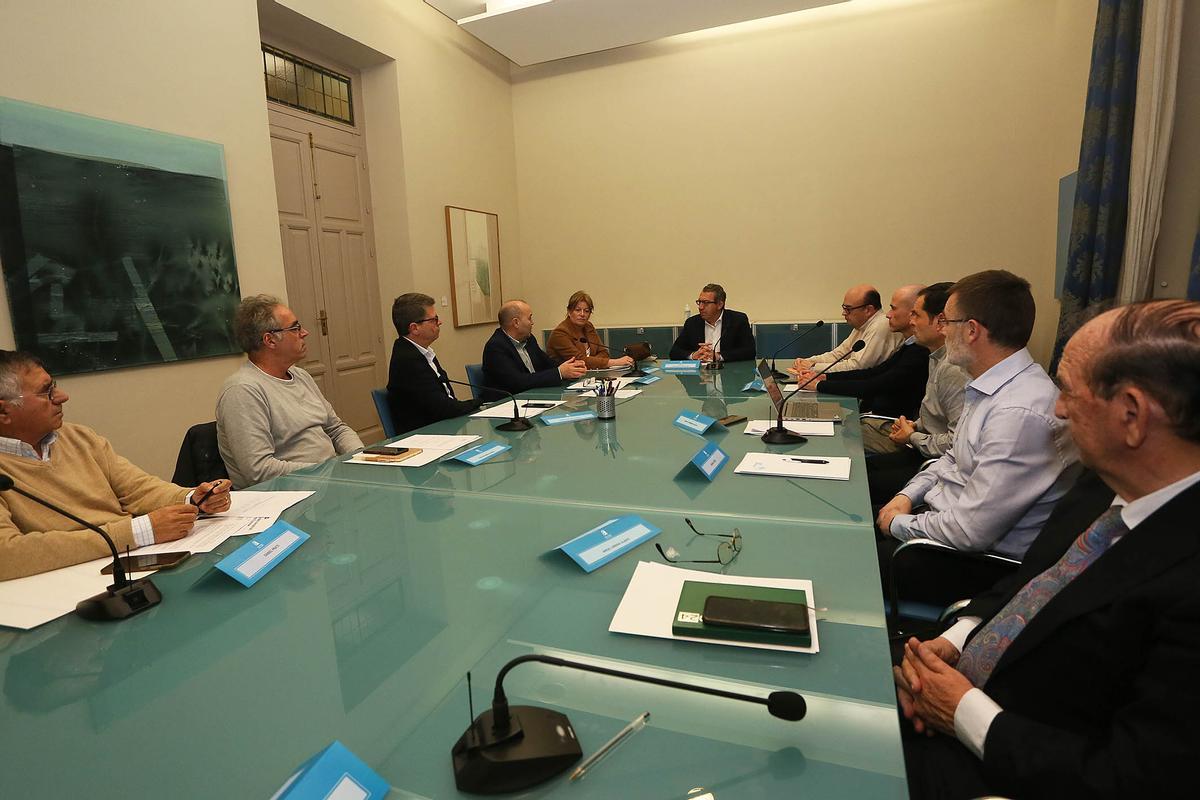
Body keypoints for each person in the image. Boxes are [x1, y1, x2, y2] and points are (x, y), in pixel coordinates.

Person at [895, 299, 1200, 799]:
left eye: (1069, 392)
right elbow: (1027, 582)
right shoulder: (1101, 487)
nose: (1057, 408)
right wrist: (957, 640)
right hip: (959, 680)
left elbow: (1131, 777)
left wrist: (964, 712)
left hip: (1002, 765)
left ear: (1132, 415)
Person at [876, 270, 1078, 561]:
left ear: (971, 330)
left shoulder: (1018, 413)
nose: (942, 330)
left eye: (947, 321)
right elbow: (951, 458)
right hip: (937, 523)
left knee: (843, 557)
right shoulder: (986, 385)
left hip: (970, 560)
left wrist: (897, 523)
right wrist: (906, 496)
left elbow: (969, 532)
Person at [0, 350, 231, 581]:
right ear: (3, 411)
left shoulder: (78, 437)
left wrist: (193, 498)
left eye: (55, 386)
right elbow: (6, 556)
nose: (62, 396)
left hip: (130, 560)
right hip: (67, 581)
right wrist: (138, 532)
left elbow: (137, 488)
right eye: (46, 392)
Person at [217, 295, 363, 488]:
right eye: (295, 328)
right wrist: (329, 471)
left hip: (324, 483)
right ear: (270, 340)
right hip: (285, 495)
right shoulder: (243, 391)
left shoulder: (301, 376)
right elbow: (259, 470)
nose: (305, 332)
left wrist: (361, 458)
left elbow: (336, 429)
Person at [863, 283, 969, 503]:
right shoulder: (936, 357)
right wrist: (915, 425)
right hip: (922, 449)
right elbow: (937, 414)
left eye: (916, 315)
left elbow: (956, 442)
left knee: (863, 483)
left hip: (934, 462)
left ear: (939, 322)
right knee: (862, 470)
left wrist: (912, 436)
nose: (911, 322)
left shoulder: (952, 368)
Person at [793, 284, 930, 418]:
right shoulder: (908, 346)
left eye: (848, 309)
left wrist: (819, 382)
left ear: (868, 310)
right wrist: (819, 372)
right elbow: (866, 369)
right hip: (877, 414)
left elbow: (866, 377)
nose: (888, 315)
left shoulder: (916, 349)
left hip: (884, 419)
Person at [386, 292, 482, 435]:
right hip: (425, 437)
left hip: (443, 428)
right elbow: (443, 408)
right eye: (434, 319)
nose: (440, 322)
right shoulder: (407, 360)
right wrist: (479, 402)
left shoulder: (421, 351)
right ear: (414, 328)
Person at [482, 299, 587, 399]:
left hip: (534, 397)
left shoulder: (529, 339)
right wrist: (559, 372)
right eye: (529, 318)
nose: (532, 323)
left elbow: (548, 364)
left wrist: (571, 368)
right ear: (516, 323)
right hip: (506, 405)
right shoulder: (496, 347)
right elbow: (518, 382)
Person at [792, 284, 903, 374]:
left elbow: (858, 366)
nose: (843, 313)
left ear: (868, 310)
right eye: (844, 308)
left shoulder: (881, 325)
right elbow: (838, 354)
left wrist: (813, 367)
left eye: (848, 309)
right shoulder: (862, 325)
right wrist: (808, 361)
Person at [546, 291, 634, 370]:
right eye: (578, 310)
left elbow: (604, 353)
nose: (582, 314)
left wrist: (592, 362)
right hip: (565, 382)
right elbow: (579, 361)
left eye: (586, 311)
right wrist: (616, 362)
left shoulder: (588, 326)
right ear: (569, 311)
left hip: (589, 377)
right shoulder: (560, 333)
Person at [668, 283, 756, 362]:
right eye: (699, 302)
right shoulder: (692, 323)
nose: (701, 307)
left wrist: (718, 356)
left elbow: (750, 351)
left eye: (706, 303)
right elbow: (674, 352)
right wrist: (693, 355)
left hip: (728, 375)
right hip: (699, 376)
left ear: (719, 305)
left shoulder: (737, 320)